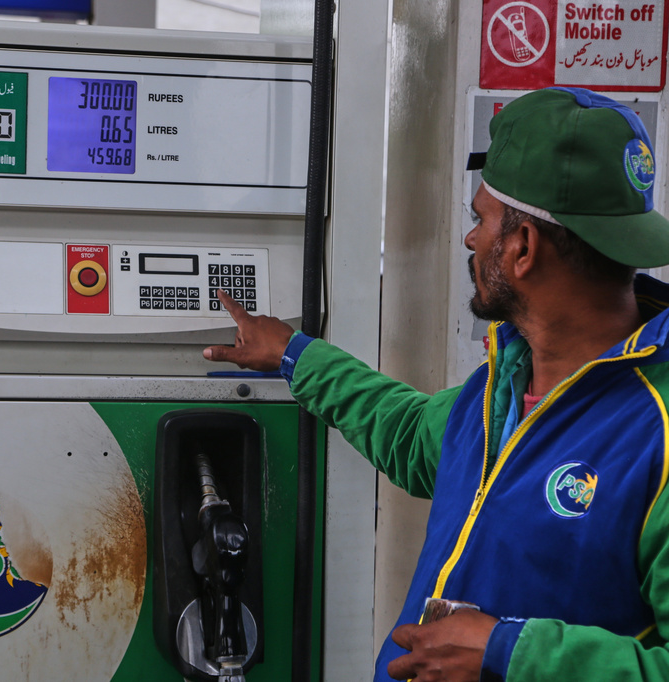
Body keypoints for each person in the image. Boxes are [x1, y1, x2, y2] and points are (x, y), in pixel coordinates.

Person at [204, 86, 669, 681]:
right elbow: (406, 431)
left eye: (481, 219)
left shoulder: (656, 430)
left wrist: (509, 655)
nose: (470, 239)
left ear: (523, 248)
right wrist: (294, 354)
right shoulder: (499, 390)